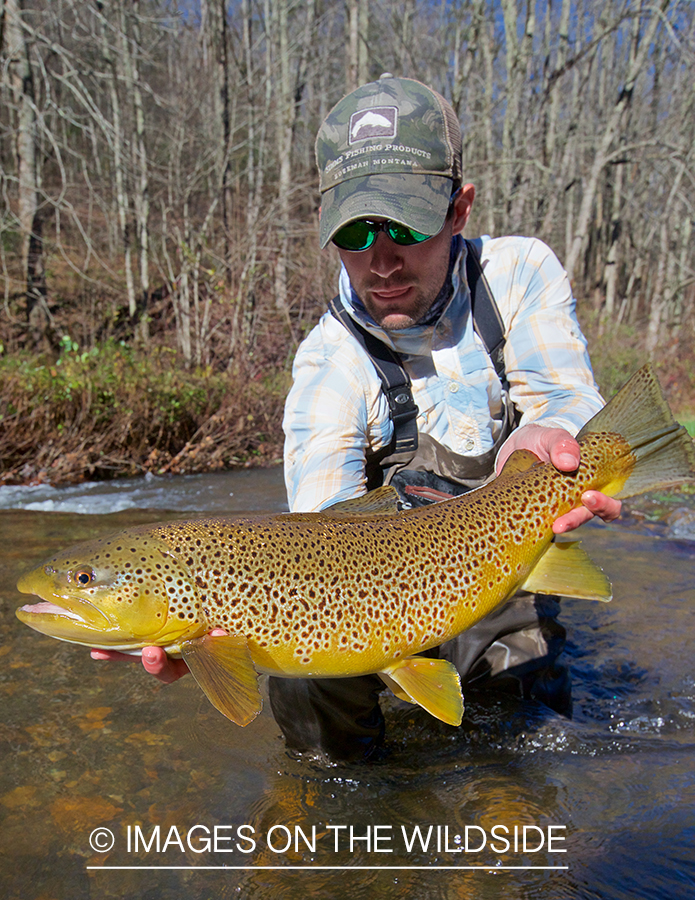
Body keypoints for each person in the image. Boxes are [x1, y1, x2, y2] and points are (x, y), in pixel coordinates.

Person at [93, 75, 620, 759]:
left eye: (404, 223)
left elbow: (567, 399)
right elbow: (319, 538)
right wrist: (217, 638)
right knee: (299, 680)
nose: (380, 258)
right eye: (354, 229)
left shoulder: (517, 273)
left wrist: (545, 441)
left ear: (458, 210)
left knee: (516, 746)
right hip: (377, 583)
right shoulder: (329, 363)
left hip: (503, 567)